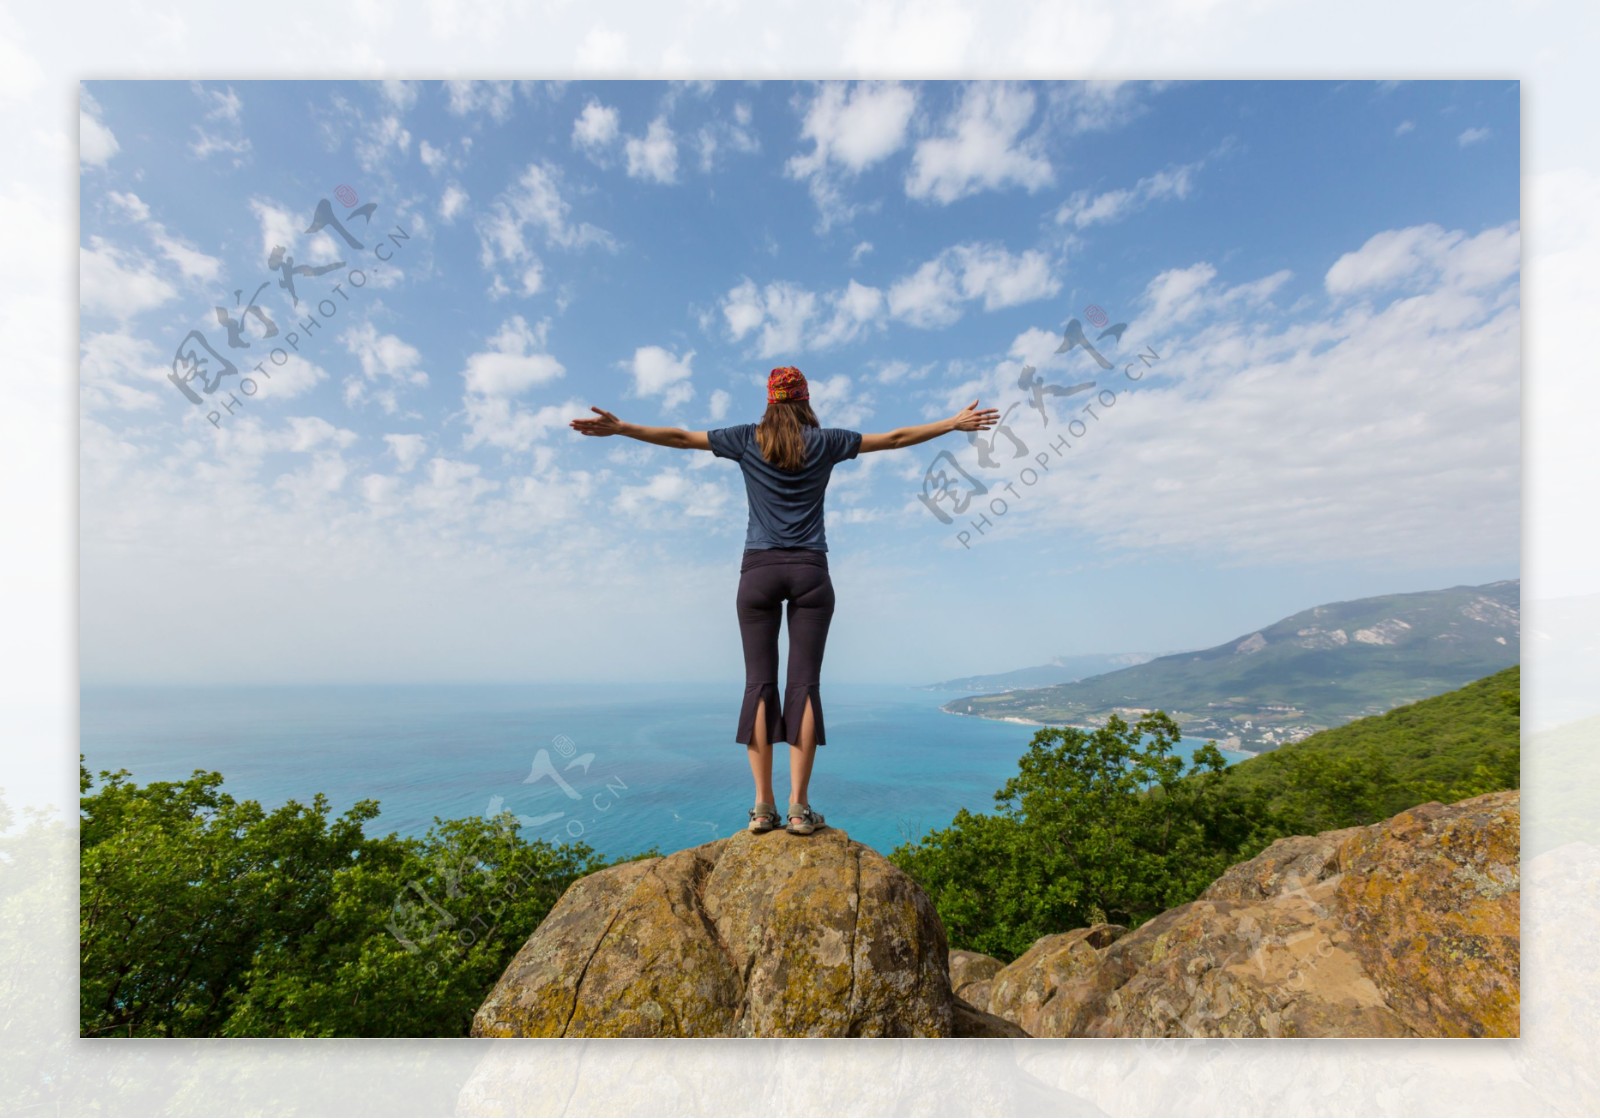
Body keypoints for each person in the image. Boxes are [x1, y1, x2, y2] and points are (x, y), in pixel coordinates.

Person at [570, 366, 998, 838]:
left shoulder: (744, 439)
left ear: (769, 401)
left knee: (758, 684)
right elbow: (895, 438)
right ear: (805, 400)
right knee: (804, 686)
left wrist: (622, 428)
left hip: (758, 572)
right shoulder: (826, 441)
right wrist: (951, 423)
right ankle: (798, 809)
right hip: (811, 570)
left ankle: (761, 808)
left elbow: (678, 437)